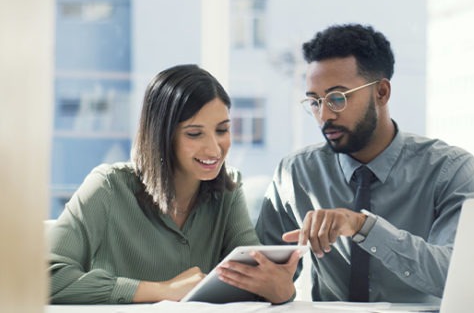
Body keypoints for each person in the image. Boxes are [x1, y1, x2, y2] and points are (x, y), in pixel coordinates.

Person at [255, 24, 474, 304]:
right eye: (315, 102)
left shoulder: (449, 169)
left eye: (337, 98)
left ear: (382, 93)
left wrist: (364, 227)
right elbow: (264, 277)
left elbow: (456, 276)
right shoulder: (295, 173)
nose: (323, 115)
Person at [48, 64, 300, 304]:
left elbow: (249, 277)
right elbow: (45, 277)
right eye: (194, 133)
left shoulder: (228, 189)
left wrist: (281, 289)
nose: (214, 148)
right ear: (162, 135)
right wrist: (162, 290)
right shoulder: (108, 187)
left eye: (222, 130)